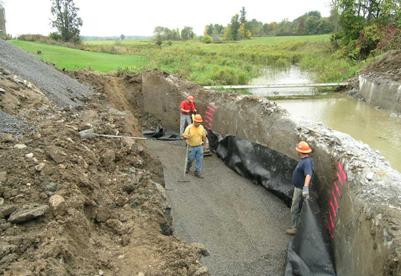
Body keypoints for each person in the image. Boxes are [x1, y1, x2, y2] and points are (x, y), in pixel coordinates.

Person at [286, 141, 314, 235]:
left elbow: (308, 174)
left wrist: (305, 188)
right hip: (298, 187)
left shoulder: (306, 162)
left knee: (295, 208)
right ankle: (297, 226)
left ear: (300, 151)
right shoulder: (305, 160)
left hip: (300, 189)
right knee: (297, 207)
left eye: (298, 150)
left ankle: (295, 228)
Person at [182, 114, 207, 178]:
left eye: (199, 122)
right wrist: (186, 137)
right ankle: (187, 167)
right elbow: (183, 136)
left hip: (199, 146)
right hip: (191, 147)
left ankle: (197, 172)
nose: (198, 123)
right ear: (194, 121)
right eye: (197, 122)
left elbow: (204, 136)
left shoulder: (201, 127)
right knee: (190, 159)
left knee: (199, 159)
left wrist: (204, 145)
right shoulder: (189, 128)